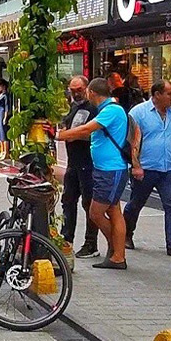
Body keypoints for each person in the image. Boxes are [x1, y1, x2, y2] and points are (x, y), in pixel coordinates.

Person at [54, 78, 130, 270]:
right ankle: (117, 254)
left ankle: (116, 250)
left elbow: (87, 129)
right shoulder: (107, 110)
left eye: (83, 90)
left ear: (92, 92)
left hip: (110, 170)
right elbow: (87, 134)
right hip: (106, 169)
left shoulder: (111, 110)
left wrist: (59, 136)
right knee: (113, 210)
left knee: (96, 213)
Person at [122, 80, 171, 259]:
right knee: (136, 203)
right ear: (157, 94)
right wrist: (136, 166)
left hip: (167, 168)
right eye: (169, 94)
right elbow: (131, 142)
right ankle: (127, 233)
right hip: (146, 167)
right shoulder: (138, 113)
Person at [59, 76, 100, 259]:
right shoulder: (73, 107)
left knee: (88, 204)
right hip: (73, 162)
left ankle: (91, 243)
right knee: (68, 201)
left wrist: (71, 135)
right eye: (72, 90)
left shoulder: (93, 109)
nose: (76, 93)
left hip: (87, 162)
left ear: (87, 89)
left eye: (79, 90)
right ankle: (66, 239)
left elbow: (93, 134)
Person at [0, 80, 11, 161]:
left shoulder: (6, 96)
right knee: (0, 134)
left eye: (0, 86)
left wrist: (5, 117)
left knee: (4, 134)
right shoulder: (0, 95)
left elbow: (6, 107)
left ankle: (6, 152)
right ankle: (2, 151)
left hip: (2, 113)